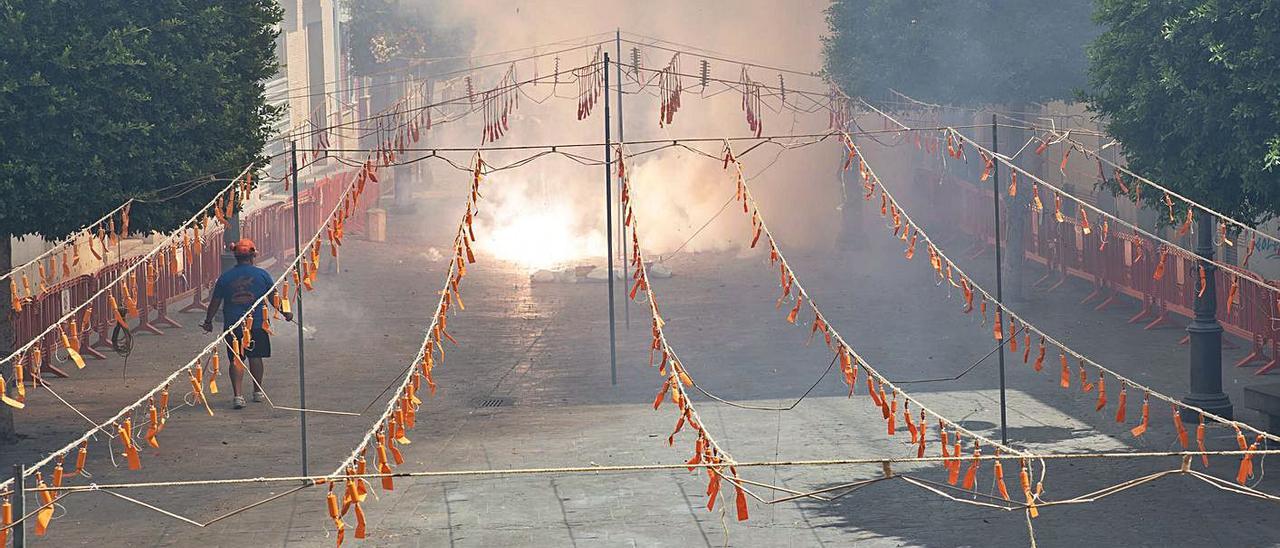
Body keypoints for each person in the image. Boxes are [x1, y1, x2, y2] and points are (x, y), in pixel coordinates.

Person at [201, 238, 292, 409]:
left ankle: (238, 396)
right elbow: (274, 297)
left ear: (235, 256)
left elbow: (215, 301)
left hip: (233, 325)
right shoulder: (262, 275)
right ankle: (257, 392)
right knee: (255, 357)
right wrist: (285, 312)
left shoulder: (225, 278)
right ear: (253, 256)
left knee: (236, 358)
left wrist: (208, 321)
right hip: (257, 324)